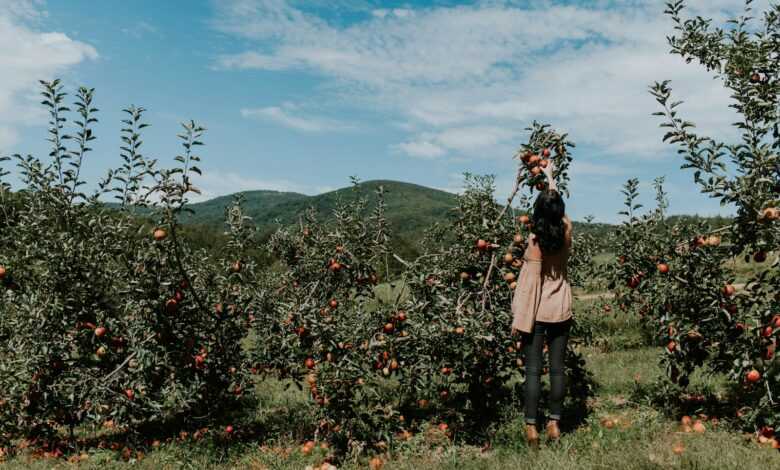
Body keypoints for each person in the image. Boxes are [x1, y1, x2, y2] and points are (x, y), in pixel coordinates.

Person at [511, 159, 573, 446]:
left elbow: (529, 287)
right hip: (561, 308)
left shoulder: (535, 241)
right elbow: (555, 210)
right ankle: (554, 424)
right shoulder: (567, 231)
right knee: (558, 369)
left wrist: (519, 321)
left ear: (536, 212)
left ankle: (532, 428)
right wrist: (551, 179)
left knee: (533, 371)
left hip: (537, 312)